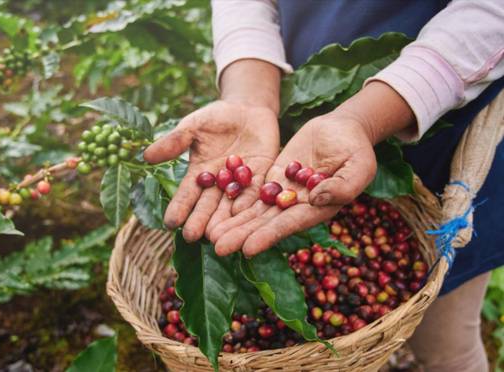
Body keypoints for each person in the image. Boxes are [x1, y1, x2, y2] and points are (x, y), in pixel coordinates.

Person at [144, 1, 504, 370]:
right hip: (300, 119)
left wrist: (364, 119)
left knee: (450, 343)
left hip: (447, 119)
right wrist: (249, 96)